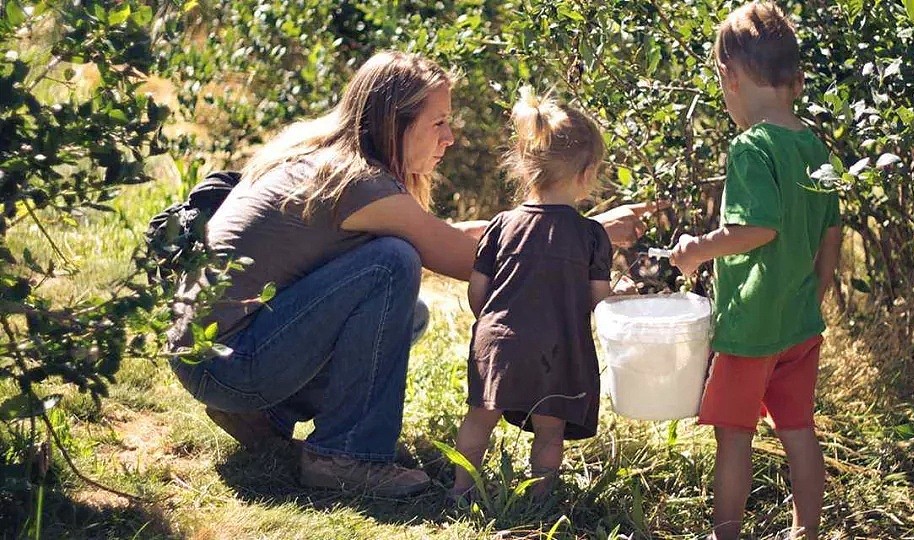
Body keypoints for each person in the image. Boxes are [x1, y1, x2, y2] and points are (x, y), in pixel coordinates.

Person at [166, 51, 653, 498]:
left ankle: (266, 415)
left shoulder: (327, 159)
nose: (450, 137)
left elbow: (448, 234)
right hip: (228, 362)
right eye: (438, 122)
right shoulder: (359, 185)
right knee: (394, 263)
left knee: (409, 312)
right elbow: (478, 261)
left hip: (218, 351)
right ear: (393, 124)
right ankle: (348, 456)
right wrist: (582, 235)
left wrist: (562, 229)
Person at [668, 4, 843, 539]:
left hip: (752, 328)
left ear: (731, 77)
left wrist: (698, 248)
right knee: (798, 433)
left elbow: (757, 228)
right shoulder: (814, 146)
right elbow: (833, 231)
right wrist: (818, 289)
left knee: (733, 436)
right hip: (798, 322)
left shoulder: (752, 146)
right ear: (794, 77)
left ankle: (726, 535)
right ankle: (805, 532)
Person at [449, 88, 612, 501]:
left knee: (480, 417)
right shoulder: (591, 236)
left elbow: (477, 291)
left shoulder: (502, 225)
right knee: (550, 428)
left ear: (525, 165)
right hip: (558, 349)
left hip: (498, 339)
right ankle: (538, 500)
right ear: (587, 173)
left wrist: (497, 325)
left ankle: (461, 489)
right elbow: (599, 300)